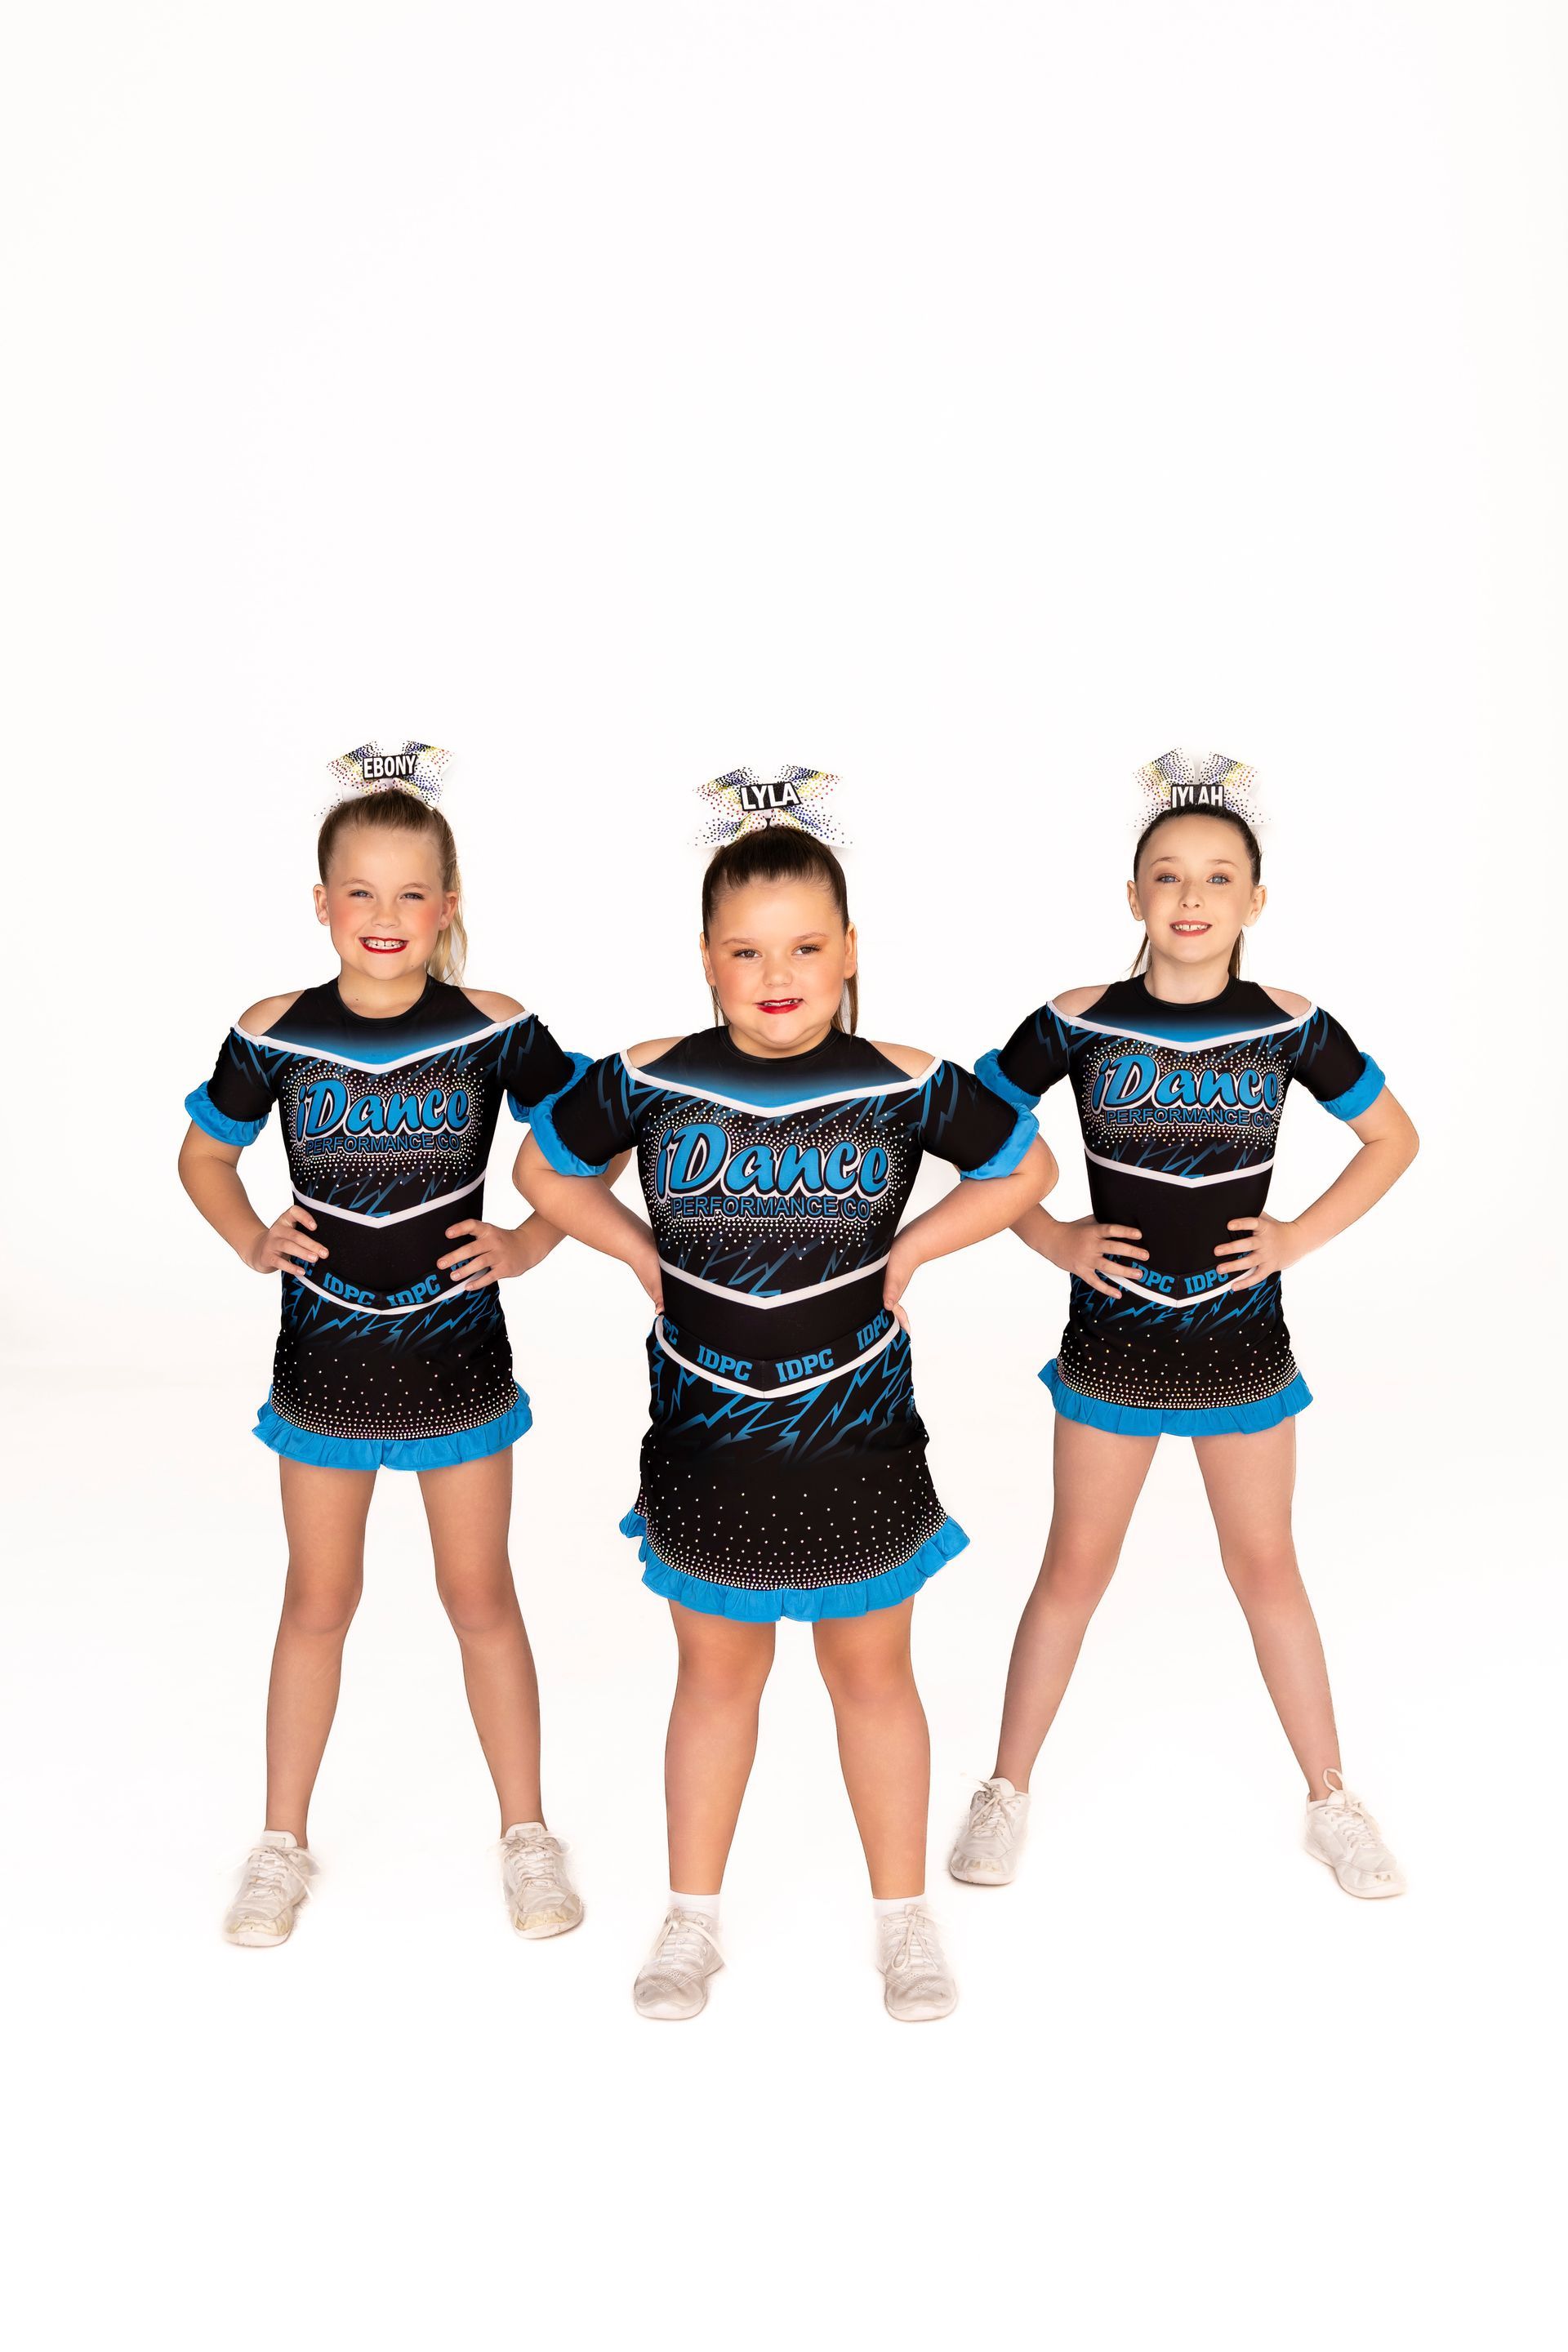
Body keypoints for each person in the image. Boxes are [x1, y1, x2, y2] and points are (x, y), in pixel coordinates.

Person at [516, 770, 1056, 2020]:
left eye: (808, 946)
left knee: (873, 1676)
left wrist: (912, 1248)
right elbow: (546, 1167)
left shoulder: (902, 1078)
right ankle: (691, 1920)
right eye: (749, 949)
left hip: (857, 1438)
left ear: (851, 950)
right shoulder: (649, 1076)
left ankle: (903, 1919)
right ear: (707, 958)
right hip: (708, 1438)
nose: (780, 972)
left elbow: (1023, 1164)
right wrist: (639, 1253)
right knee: (715, 1680)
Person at [951, 751, 1419, 1900]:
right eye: (1169, 876)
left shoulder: (1292, 1024)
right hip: (1113, 1341)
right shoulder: (1075, 1021)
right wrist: (1054, 1234)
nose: (1194, 897)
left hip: (1241, 1344)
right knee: (1075, 1567)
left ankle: (1332, 1799)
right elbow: (971, 1135)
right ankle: (1004, 1789)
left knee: (1266, 1566)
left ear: (1256, 902)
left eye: (1219, 877)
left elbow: (1393, 1139)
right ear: (1134, 898)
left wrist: (1298, 1236)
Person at [180, 744, 604, 1947]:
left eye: (410, 893)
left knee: (480, 1595)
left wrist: (526, 1242)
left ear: (448, 907)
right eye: (358, 893)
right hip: (322, 1365)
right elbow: (204, 1154)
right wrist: (250, 1236)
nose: (384, 917)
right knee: (320, 1597)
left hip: (458, 1360)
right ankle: (280, 1843)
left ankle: (526, 1832)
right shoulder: (274, 1031)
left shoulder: (493, 1028)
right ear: (321, 905)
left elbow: (595, 1138)